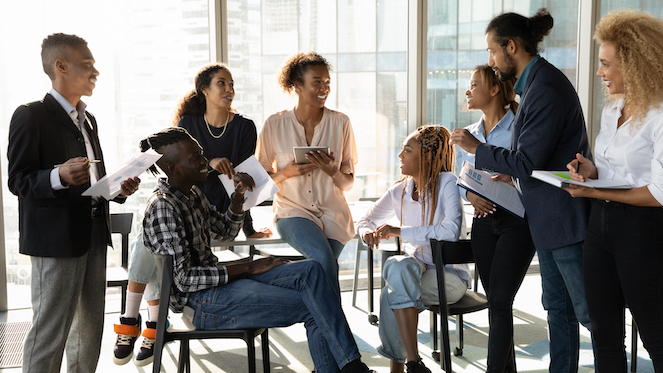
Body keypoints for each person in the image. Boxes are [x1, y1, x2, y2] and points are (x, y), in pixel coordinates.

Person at [140, 127, 376, 373]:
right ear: (172, 168)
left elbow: (226, 232)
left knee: (313, 270)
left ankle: (350, 366)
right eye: (195, 158)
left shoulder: (192, 193)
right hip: (201, 303)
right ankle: (352, 366)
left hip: (219, 287)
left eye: (201, 154)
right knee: (315, 304)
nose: (204, 161)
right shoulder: (162, 207)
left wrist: (238, 197)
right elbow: (185, 279)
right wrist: (248, 267)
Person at [449, 9, 594, 373]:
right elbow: (536, 163)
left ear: (511, 46)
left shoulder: (545, 87)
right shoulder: (535, 86)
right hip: (546, 220)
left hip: (562, 219)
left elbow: (527, 160)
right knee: (558, 310)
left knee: (589, 313)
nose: (491, 60)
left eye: (492, 51)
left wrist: (476, 149)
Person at [111, 63, 272, 366]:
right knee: (158, 235)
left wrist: (244, 216)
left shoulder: (244, 127)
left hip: (215, 207)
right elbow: (177, 160)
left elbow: (247, 175)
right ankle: (150, 323)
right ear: (204, 90)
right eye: (222, 83)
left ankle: (137, 320)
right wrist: (209, 164)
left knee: (152, 236)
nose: (230, 89)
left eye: (232, 83)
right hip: (185, 201)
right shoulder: (189, 123)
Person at [7, 33, 140, 373]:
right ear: (60, 66)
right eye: (87, 65)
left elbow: (95, 181)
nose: (95, 72)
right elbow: (18, 180)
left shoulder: (88, 119)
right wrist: (59, 177)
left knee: (88, 332)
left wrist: (119, 189)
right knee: (49, 333)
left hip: (94, 234)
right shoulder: (30, 116)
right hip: (56, 242)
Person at [564, 9, 663, 371]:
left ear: (635, 64)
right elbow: (613, 171)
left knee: (656, 337)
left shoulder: (660, 116)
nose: (599, 72)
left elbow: (658, 194)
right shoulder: (613, 110)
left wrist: (592, 193)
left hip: (645, 230)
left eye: (606, 64)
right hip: (600, 228)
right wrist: (590, 172)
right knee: (604, 336)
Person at [357, 125, 469, 373]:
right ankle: (414, 363)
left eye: (407, 150)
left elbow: (450, 230)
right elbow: (365, 220)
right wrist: (366, 232)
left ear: (427, 156)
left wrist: (400, 231)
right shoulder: (400, 190)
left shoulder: (447, 182)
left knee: (390, 294)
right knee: (398, 266)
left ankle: (402, 368)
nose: (400, 155)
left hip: (447, 278)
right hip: (413, 272)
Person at [256, 51, 358, 297]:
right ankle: (337, 329)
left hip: (334, 215)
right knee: (323, 259)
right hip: (293, 212)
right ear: (297, 86)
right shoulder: (274, 124)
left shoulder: (341, 123)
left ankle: (319, 326)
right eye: (317, 82)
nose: (324, 88)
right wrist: (286, 172)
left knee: (319, 274)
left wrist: (332, 170)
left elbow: (348, 183)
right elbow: (260, 185)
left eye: (327, 83)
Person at [454, 65, 536, 373]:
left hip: (517, 220)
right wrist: (470, 196)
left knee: (500, 303)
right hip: (483, 224)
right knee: (497, 305)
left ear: (493, 90)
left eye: (474, 85)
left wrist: (511, 175)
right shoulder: (467, 135)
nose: (468, 91)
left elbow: (530, 168)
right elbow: (461, 179)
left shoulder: (519, 127)